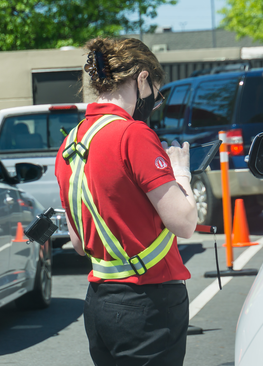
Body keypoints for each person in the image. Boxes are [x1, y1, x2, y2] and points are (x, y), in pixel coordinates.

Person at [55, 37, 198, 366]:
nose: (154, 102)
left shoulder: (72, 142)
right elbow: (185, 223)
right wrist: (181, 173)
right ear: (143, 79)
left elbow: (79, 245)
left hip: (99, 304)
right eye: (156, 92)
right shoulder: (133, 134)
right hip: (149, 301)